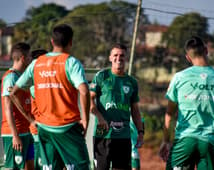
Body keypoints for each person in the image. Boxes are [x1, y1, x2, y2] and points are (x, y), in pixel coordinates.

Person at [10, 24, 91, 169]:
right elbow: (84, 91)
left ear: (52, 42)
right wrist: (85, 119)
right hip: (68, 128)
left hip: (44, 129)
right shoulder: (71, 62)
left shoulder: (36, 63)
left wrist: (30, 119)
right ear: (71, 42)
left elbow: (13, 93)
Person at [159, 36, 214, 170]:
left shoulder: (179, 78)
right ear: (206, 51)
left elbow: (169, 114)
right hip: (210, 141)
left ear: (188, 57)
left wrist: (165, 141)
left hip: (184, 140)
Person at [90, 43, 144, 170]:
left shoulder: (132, 82)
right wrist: (100, 117)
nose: (118, 58)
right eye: (115, 55)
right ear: (110, 57)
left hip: (123, 136)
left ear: (126, 58)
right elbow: (89, 100)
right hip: (102, 134)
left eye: (122, 55)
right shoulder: (102, 76)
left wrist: (140, 132)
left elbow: (135, 110)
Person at [1, 42, 33, 169]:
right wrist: (15, 136)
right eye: (30, 57)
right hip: (15, 134)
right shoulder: (10, 78)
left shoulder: (22, 77)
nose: (32, 59)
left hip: (27, 131)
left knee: (31, 165)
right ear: (23, 58)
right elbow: (7, 108)